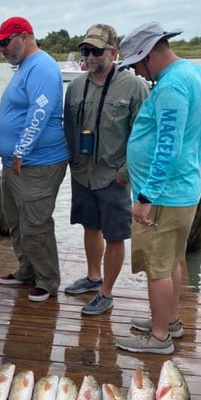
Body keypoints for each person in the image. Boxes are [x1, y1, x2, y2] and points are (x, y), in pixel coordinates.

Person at [113, 21, 201, 354]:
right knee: (171, 262)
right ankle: (169, 320)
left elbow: (167, 145)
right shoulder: (192, 71)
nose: (139, 72)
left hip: (164, 195)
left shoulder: (171, 86)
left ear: (153, 52)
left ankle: (158, 338)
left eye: (139, 63)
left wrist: (145, 196)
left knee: (157, 267)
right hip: (182, 189)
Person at [62, 24, 149, 315]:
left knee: (114, 235)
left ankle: (107, 292)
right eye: (85, 50)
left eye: (96, 51)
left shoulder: (134, 86)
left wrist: (125, 172)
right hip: (83, 173)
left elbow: (144, 134)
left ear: (113, 52)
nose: (90, 56)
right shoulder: (75, 86)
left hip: (115, 176)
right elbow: (69, 127)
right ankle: (92, 276)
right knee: (90, 226)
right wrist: (72, 160)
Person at [0, 16, 69, 302]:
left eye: (6, 43)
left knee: (36, 223)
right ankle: (27, 270)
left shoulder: (42, 66)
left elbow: (40, 111)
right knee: (17, 221)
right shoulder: (24, 67)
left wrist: (21, 149)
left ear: (24, 36)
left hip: (39, 162)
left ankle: (47, 281)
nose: (3, 50)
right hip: (16, 164)